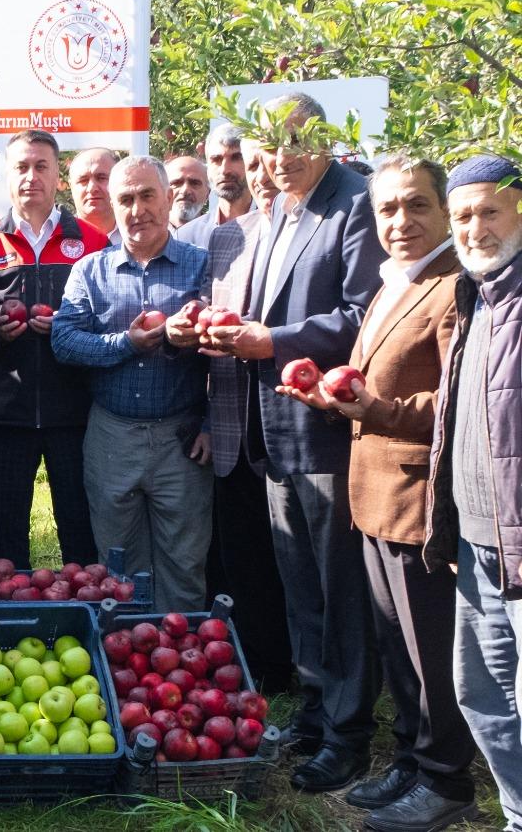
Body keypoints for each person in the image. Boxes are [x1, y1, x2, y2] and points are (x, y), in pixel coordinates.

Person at [277, 156, 476, 830]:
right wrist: (329, 397)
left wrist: (373, 406)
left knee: (429, 650)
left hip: (419, 501)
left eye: (417, 206)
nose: (401, 222)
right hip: (375, 499)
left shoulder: (454, 288)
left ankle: (447, 780)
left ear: (445, 211)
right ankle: (411, 761)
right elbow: (371, 387)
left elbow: (453, 404)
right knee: (398, 651)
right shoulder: (398, 283)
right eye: (388, 209)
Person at [195, 92, 386, 792]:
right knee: (299, 587)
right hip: (271, 434)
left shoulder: (355, 203)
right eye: (268, 148)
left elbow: (363, 316)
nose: (280, 159)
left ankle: (349, 733)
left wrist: (270, 340)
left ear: (328, 139)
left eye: (295, 142)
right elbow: (270, 309)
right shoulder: (277, 210)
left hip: (327, 433)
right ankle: (314, 713)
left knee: (339, 592)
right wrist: (230, 327)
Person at [52, 155, 213, 611]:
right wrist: (128, 343)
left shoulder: (202, 266)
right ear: (112, 204)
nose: (138, 209)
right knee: (118, 563)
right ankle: (126, 662)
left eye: (147, 196)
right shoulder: (90, 269)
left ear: (167, 198)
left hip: (180, 436)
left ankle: (185, 667)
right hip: (112, 435)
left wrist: (210, 420)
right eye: (126, 198)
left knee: (184, 560)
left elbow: (222, 356)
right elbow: (63, 341)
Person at [426, 153, 522, 832]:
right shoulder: (473, 296)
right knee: (483, 694)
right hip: (478, 540)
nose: (475, 227)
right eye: (463, 215)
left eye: (490, 210)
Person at [176, 143, 294, 694]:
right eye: (222, 158)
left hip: (288, 419)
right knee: (240, 550)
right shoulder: (214, 238)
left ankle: (291, 663)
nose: (234, 170)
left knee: (290, 556)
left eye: (240, 158)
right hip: (227, 421)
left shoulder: (311, 229)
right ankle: (258, 662)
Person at [0, 129, 109, 568]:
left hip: (75, 413)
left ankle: (89, 620)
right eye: (21, 167)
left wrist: (69, 327)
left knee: (81, 529)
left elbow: (110, 319)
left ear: (59, 176)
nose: (30, 176)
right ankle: (3, 625)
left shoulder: (93, 242)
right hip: (6, 412)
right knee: (4, 534)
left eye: (41, 166)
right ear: (7, 176)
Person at [177, 124, 253, 248]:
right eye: (216, 159)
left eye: (236, 158)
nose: (225, 170)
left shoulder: (274, 227)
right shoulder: (186, 238)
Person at [68, 147, 120, 244]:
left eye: (101, 178)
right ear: (71, 187)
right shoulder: (53, 240)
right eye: (83, 180)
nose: (92, 188)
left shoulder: (142, 237)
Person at [167, 155, 210, 228]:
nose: (185, 190)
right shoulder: (146, 235)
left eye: (195, 183)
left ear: (207, 194)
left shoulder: (218, 237)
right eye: (176, 183)